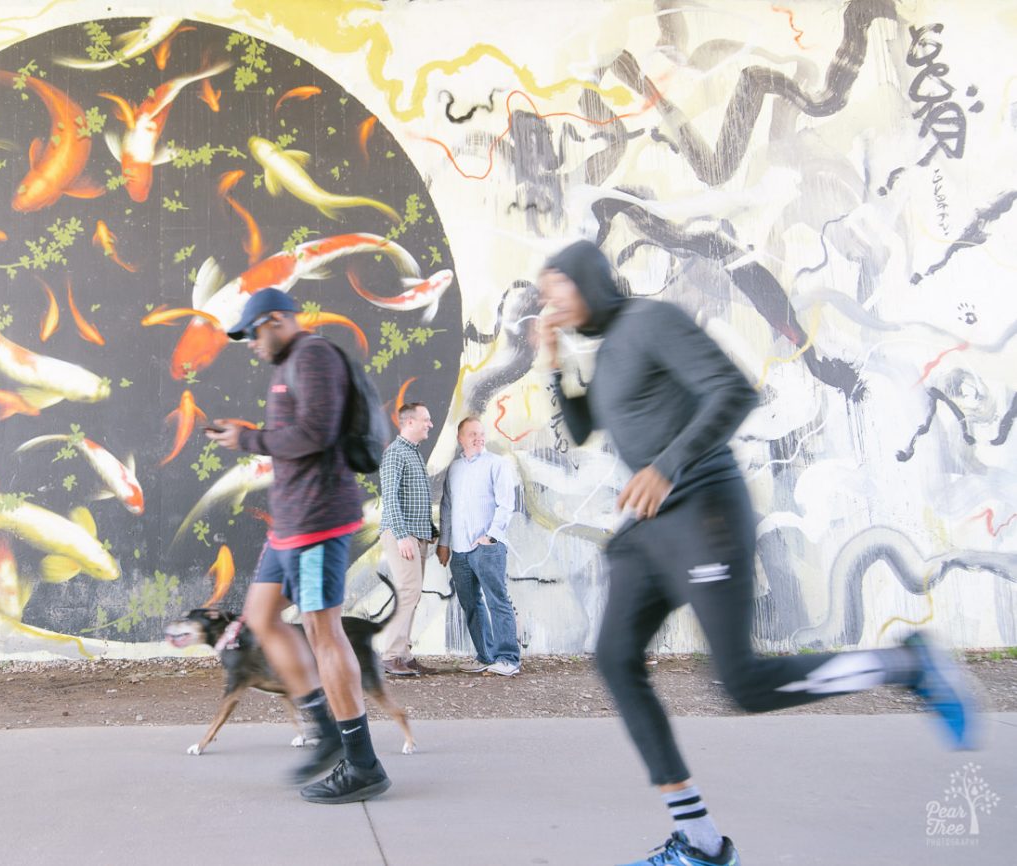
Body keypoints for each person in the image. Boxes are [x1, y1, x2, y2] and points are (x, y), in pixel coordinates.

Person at [537, 239, 976, 865]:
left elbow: (733, 392)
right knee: (614, 657)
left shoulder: (653, 321)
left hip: (704, 508)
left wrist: (666, 465)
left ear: (586, 280)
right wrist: (553, 360)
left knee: (740, 683)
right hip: (650, 528)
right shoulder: (606, 352)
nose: (548, 297)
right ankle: (700, 841)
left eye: (556, 283)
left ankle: (906, 666)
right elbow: (581, 432)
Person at [206, 288, 390, 805]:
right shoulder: (286, 366)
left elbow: (314, 433)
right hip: (288, 525)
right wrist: (251, 435)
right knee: (261, 618)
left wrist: (249, 438)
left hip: (318, 522)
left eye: (253, 333)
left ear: (277, 320)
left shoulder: (314, 357)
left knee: (323, 632)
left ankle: (362, 762)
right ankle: (324, 728)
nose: (251, 344)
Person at [437, 417, 521, 677]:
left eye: (481, 434)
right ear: (460, 438)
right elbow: (447, 507)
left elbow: (507, 504)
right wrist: (444, 543)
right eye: (472, 434)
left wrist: (491, 536)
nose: (478, 438)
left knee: (497, 601)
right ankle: (486, 655)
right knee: (471, 603)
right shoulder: (454, 469)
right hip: (459, 550)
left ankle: (508, 659)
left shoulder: (497, 464)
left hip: (487, 547)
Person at [377, 401, 439, 676]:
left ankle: (402, 653)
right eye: (426, 419)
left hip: (417, 535)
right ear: (409, 422)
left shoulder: (413, 454)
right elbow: (389, 497)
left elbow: (415, 499)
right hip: (403, 535)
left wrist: (430, 531)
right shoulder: (395, 454)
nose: (430, 424)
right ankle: (390, 656)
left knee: (412, 594)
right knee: (408, 592)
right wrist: (403, 537)